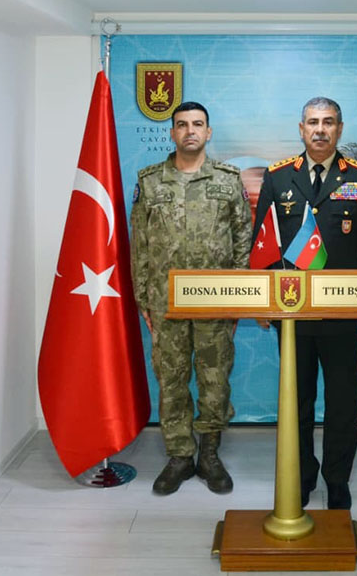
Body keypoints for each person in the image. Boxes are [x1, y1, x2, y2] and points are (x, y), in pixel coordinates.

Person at [252, 97, 357, 510]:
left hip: (342, 311)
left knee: (343, 402)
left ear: (340, 130)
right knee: (296, 400)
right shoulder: (278, 177)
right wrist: (262, 301)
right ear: (301, 129)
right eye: (313, 122)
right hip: (291, 311)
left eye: (328, 122)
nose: (320, 129)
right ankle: (301, 476)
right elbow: (263, 243)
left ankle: (337, 480)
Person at [130, 101, 252, 495]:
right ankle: (180, 455)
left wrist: (237, 295)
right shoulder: (151, 182)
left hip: (215, 300)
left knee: (214, 378)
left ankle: (210, 454)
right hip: (165, 302)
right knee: (172, 379)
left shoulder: (228, 180)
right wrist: (143, 299)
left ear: (208, 132)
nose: (190, 131)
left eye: (197, 124)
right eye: (182, 125)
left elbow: (243, 239)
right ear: (172, 133)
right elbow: (139, 244)